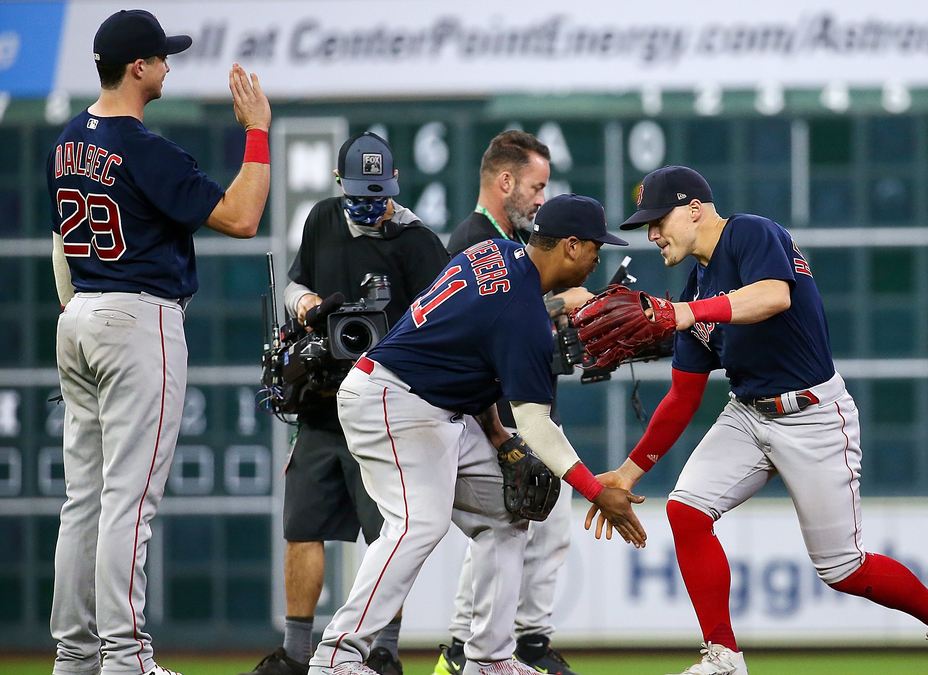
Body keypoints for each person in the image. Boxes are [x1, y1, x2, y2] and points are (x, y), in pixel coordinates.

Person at [590, 166, 928, 675]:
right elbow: (683, 396)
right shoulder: (694, 287)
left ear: (693, 209)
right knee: (686, 512)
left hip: (814, 415)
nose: (653, 233)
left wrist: (683, 314)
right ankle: (724, 658)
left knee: (843, 568)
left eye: (658, 220)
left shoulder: (750, 232)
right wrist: (628, 472)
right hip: (748, 413)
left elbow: (773, 295)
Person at [309, 194, 646, 675]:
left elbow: (468, 362)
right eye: (595, 247)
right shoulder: (524, 313)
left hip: (436, 404)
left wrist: (498, 439)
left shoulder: (493, 254)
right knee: (417, 523)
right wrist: (596, 492)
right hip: (392, 398)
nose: (598, 258)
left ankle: (487, 658)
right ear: (571, 246)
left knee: (507, 513)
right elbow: (536, 424)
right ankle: (336, 657)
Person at [47, 9, 271, 675]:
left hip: (80, 313)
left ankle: (75, 656)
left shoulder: (66, 141)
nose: (169, 66)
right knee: (128, 500)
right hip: (135, 318)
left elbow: (61, 241)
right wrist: (257, 134)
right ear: (137, 67)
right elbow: (240, 214)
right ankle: (126, 657)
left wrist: (79, 306)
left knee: (82, 498)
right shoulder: (142, 148)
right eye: (163, 57)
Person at [240, 132, 450, 675]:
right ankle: (295, 652)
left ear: (394, 188)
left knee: (388, 537)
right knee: (303, 527)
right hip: (320, 404)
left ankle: (383, 649)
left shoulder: (419, 243)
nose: (368, 206)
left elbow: (443, 329)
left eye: (378, 196)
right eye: (359, 194)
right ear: (340, 185)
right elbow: (293, 286)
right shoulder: (322, 219)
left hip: (385, 411)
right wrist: (307, 303)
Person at [435, 131, 592, 675]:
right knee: (503, 527)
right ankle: (465, 648)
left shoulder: (514, 244)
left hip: (514, 406)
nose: (541, 199)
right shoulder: (474, 240)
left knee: (539, 525)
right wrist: (557, 302)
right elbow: (481, 323)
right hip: (489, 416)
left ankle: (517, 642)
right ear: (505, 182)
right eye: (536, 186)